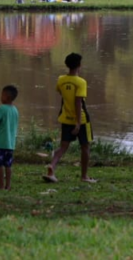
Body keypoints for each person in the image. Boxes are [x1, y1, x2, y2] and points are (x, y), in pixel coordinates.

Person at [45, 52, 95, 183]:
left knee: (63, 147)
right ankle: (84, 176)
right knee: (85, 147)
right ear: (79, 65)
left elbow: (62, 93)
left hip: (65, 118)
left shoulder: (61, 80)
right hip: (82, 120)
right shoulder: (81, 82)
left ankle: (52, 167)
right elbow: (78, 102)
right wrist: (78, 123)